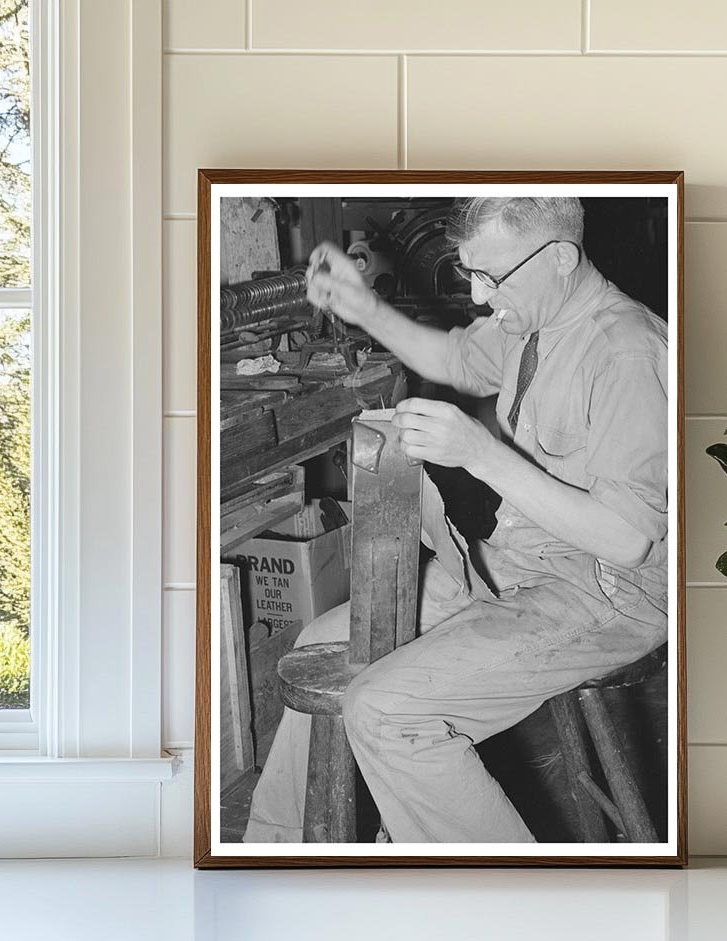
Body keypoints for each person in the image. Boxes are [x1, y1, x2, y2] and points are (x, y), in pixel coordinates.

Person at [243, 196, 669, 844]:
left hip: (605, 593)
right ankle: (272, 854)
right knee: (320, 646)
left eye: (489, 277)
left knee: (385, 714)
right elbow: (454, 359)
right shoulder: (534, 311)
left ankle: (511, 925)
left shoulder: (626, 354)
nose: (476, 295)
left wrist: (479, 454)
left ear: (561, 258)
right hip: (518, 557)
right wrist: (362, 307)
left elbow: (629, 537)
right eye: (470, 273)